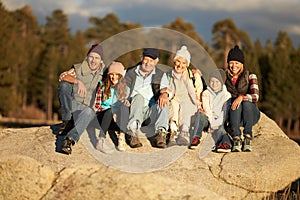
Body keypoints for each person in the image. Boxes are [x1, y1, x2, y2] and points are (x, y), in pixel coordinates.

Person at [60, 44, 105, 155]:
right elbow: (62, 76)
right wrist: (78, 82)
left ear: (101, 60)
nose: (93, 61)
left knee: (89, 111)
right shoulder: (79, 68)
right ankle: (66, 121)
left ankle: (69, 140)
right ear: (87, 57)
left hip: (87, 110)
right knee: (64, 86)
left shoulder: (104, 73)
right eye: (91, 57)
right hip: (73, 105)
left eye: (97, 58)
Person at [125, 48, 170, 148]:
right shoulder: (130, 72)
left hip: (150, 112)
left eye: (151, 60)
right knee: (139, 97)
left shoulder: (160, 74)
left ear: (156, 61)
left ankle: (161, 133)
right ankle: (132, 132)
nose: (148, 63)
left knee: (165, 100)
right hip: (134, 109)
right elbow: (120, 86)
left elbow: (166, 89)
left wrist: (165, 94)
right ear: (141, 58)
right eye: (146, 59)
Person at [225, 45, 260, 152]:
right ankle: (236, 138)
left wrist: (242, 97)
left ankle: (248, 136)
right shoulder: (224, 76)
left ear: (242, 64)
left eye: (237, 63)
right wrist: (197, 73)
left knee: (246, 103)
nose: (233, 66)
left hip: (249, 114)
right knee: (233, 104)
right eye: (231, 62)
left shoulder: (250, 76)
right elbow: (212, 83)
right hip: (234, 116)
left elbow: (255, 96)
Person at [166, 46, 203, 146]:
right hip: (174, 98)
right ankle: (173, 132)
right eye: (178, 61)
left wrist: (199, 106)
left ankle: (184, 131)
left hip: (189, 100)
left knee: (186, 105)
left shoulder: (193, 76)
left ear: (187, 65)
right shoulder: (168, 75)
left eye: (183, 63)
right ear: (174, 62)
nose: (180, 65)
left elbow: (199, 93)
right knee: (173, 104)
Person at [188, 69, 232, 153]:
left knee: (221, 129)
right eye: (212, 81)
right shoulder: (206, 93)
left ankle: (226, 143)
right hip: (209, 119)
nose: (214, 84)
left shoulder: (227, 95)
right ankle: (196, 137)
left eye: (217, 82)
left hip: (220, 121)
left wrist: (217, 123)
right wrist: (211, 123)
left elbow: (224, 112)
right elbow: (207, 109)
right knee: (201, 116)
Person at [94, 61, 130, 152]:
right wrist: (111, 111)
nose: (114, 77)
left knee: (124, 107)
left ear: (121, 76)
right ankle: (101, 140)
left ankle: (121, 136)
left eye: (117, 75)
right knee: (109, 111)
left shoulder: (126, 89)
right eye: (111, 74)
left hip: (117, 120)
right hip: (103, 117)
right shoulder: (102, 86)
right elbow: (96, 106)